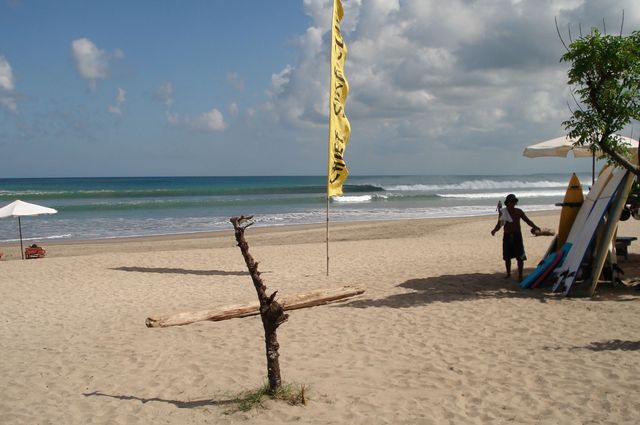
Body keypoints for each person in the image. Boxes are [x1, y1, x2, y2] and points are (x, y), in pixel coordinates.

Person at [491, 194, 540, 281]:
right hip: (507, 236)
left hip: (517, 235)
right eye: (511, 202)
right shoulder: (503, 212)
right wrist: (494, 230)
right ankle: (508, 274)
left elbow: (527, 221)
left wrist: (535, 226)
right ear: (507, 203)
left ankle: (520, 275)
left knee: (520, 256)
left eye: (514, 202)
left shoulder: (519, 211)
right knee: (507, 257)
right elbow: (500, 224)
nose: (512, 203)